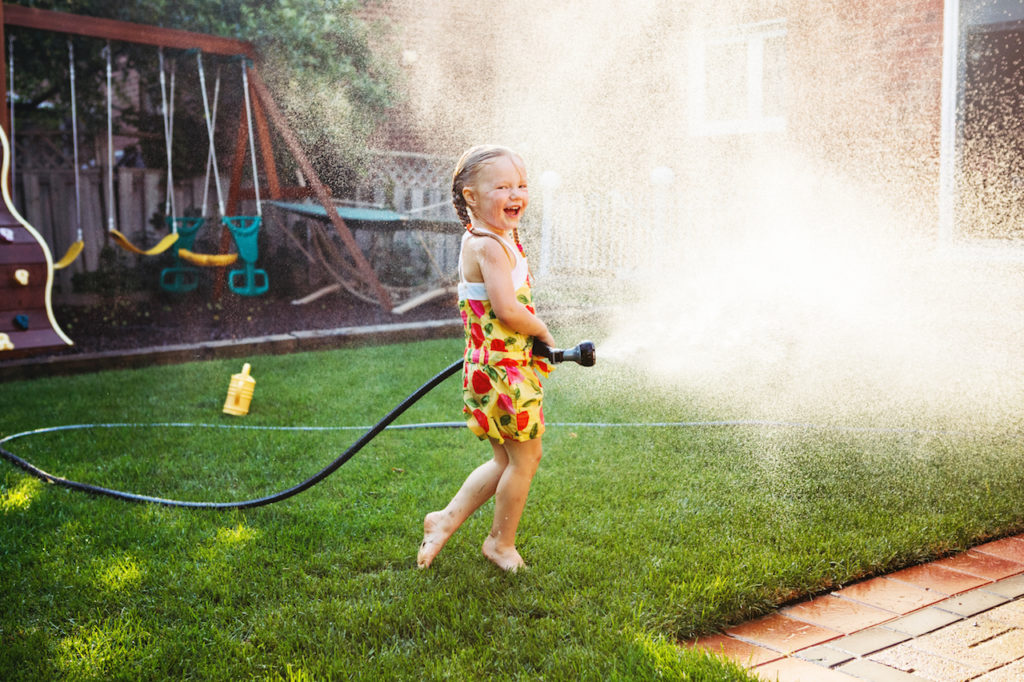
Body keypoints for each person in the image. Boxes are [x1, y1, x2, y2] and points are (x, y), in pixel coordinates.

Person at [417, 144, 556, 572]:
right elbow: (507, 309)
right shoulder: (489, 247)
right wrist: (542, 330)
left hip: (490, 368)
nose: (516, 194)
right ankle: (500, 543)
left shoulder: (493, 238)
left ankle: (444, 520)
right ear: (471, 197)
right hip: (503, 372)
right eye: (502, 186)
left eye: (521, 185)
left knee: (505, 459)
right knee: (525, 459)